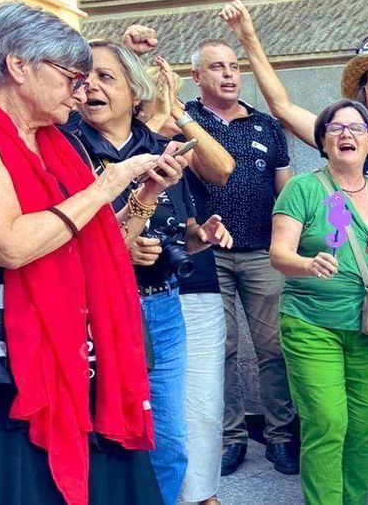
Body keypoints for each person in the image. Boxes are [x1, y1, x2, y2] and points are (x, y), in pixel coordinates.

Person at [218, 0, 368, 499]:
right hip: (322, 312)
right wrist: (251, 40)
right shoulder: (328, 156)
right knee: (330, 422)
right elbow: (281, 105)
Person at [0, 1, 172, 504]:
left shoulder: (60, 145)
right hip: (20, 370)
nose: (80, 91)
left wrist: (144, 195)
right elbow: (11, 246)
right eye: (70, 77)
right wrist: (104, 186)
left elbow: (101, 250)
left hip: (86, 357)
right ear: (17, 66)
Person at [63, 38, 234, 505]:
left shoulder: (164, 148)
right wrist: (121, 246)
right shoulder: (67, 148)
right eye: (83, 77)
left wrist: (202, 237)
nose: (89, 86)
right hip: (94, 312)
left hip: (162, 306)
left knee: (169, 438)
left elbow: (185, 228)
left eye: (104, 76)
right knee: (103, 435)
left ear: (135, 92)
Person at [270, 99, 368, 505]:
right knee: (327, 422)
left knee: (367, 428)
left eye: (356, 129)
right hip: (311, 324)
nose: (346, 134)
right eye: (335, 128)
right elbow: (279, 254)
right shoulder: (304, 188)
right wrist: (306, 262)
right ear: (323, 141)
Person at [119, 25, 240, 505]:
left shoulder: (179, 147)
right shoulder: (122, 152)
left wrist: (180, 112)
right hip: (132, 293)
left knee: (197, 402)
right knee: (151, 409)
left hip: (189, 281)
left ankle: (201, 493)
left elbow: (220, 170)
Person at [180, 32, 299, 475]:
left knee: (274, 347)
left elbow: (285, 190)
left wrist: (291, 241)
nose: (230, 74)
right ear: (196, 76)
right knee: (221, 349)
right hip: (206, 252)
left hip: (263, 253)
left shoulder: (266, 125)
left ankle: (281, 437)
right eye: (217, 67)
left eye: (234, 66)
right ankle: (231, 438)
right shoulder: (184, 120)